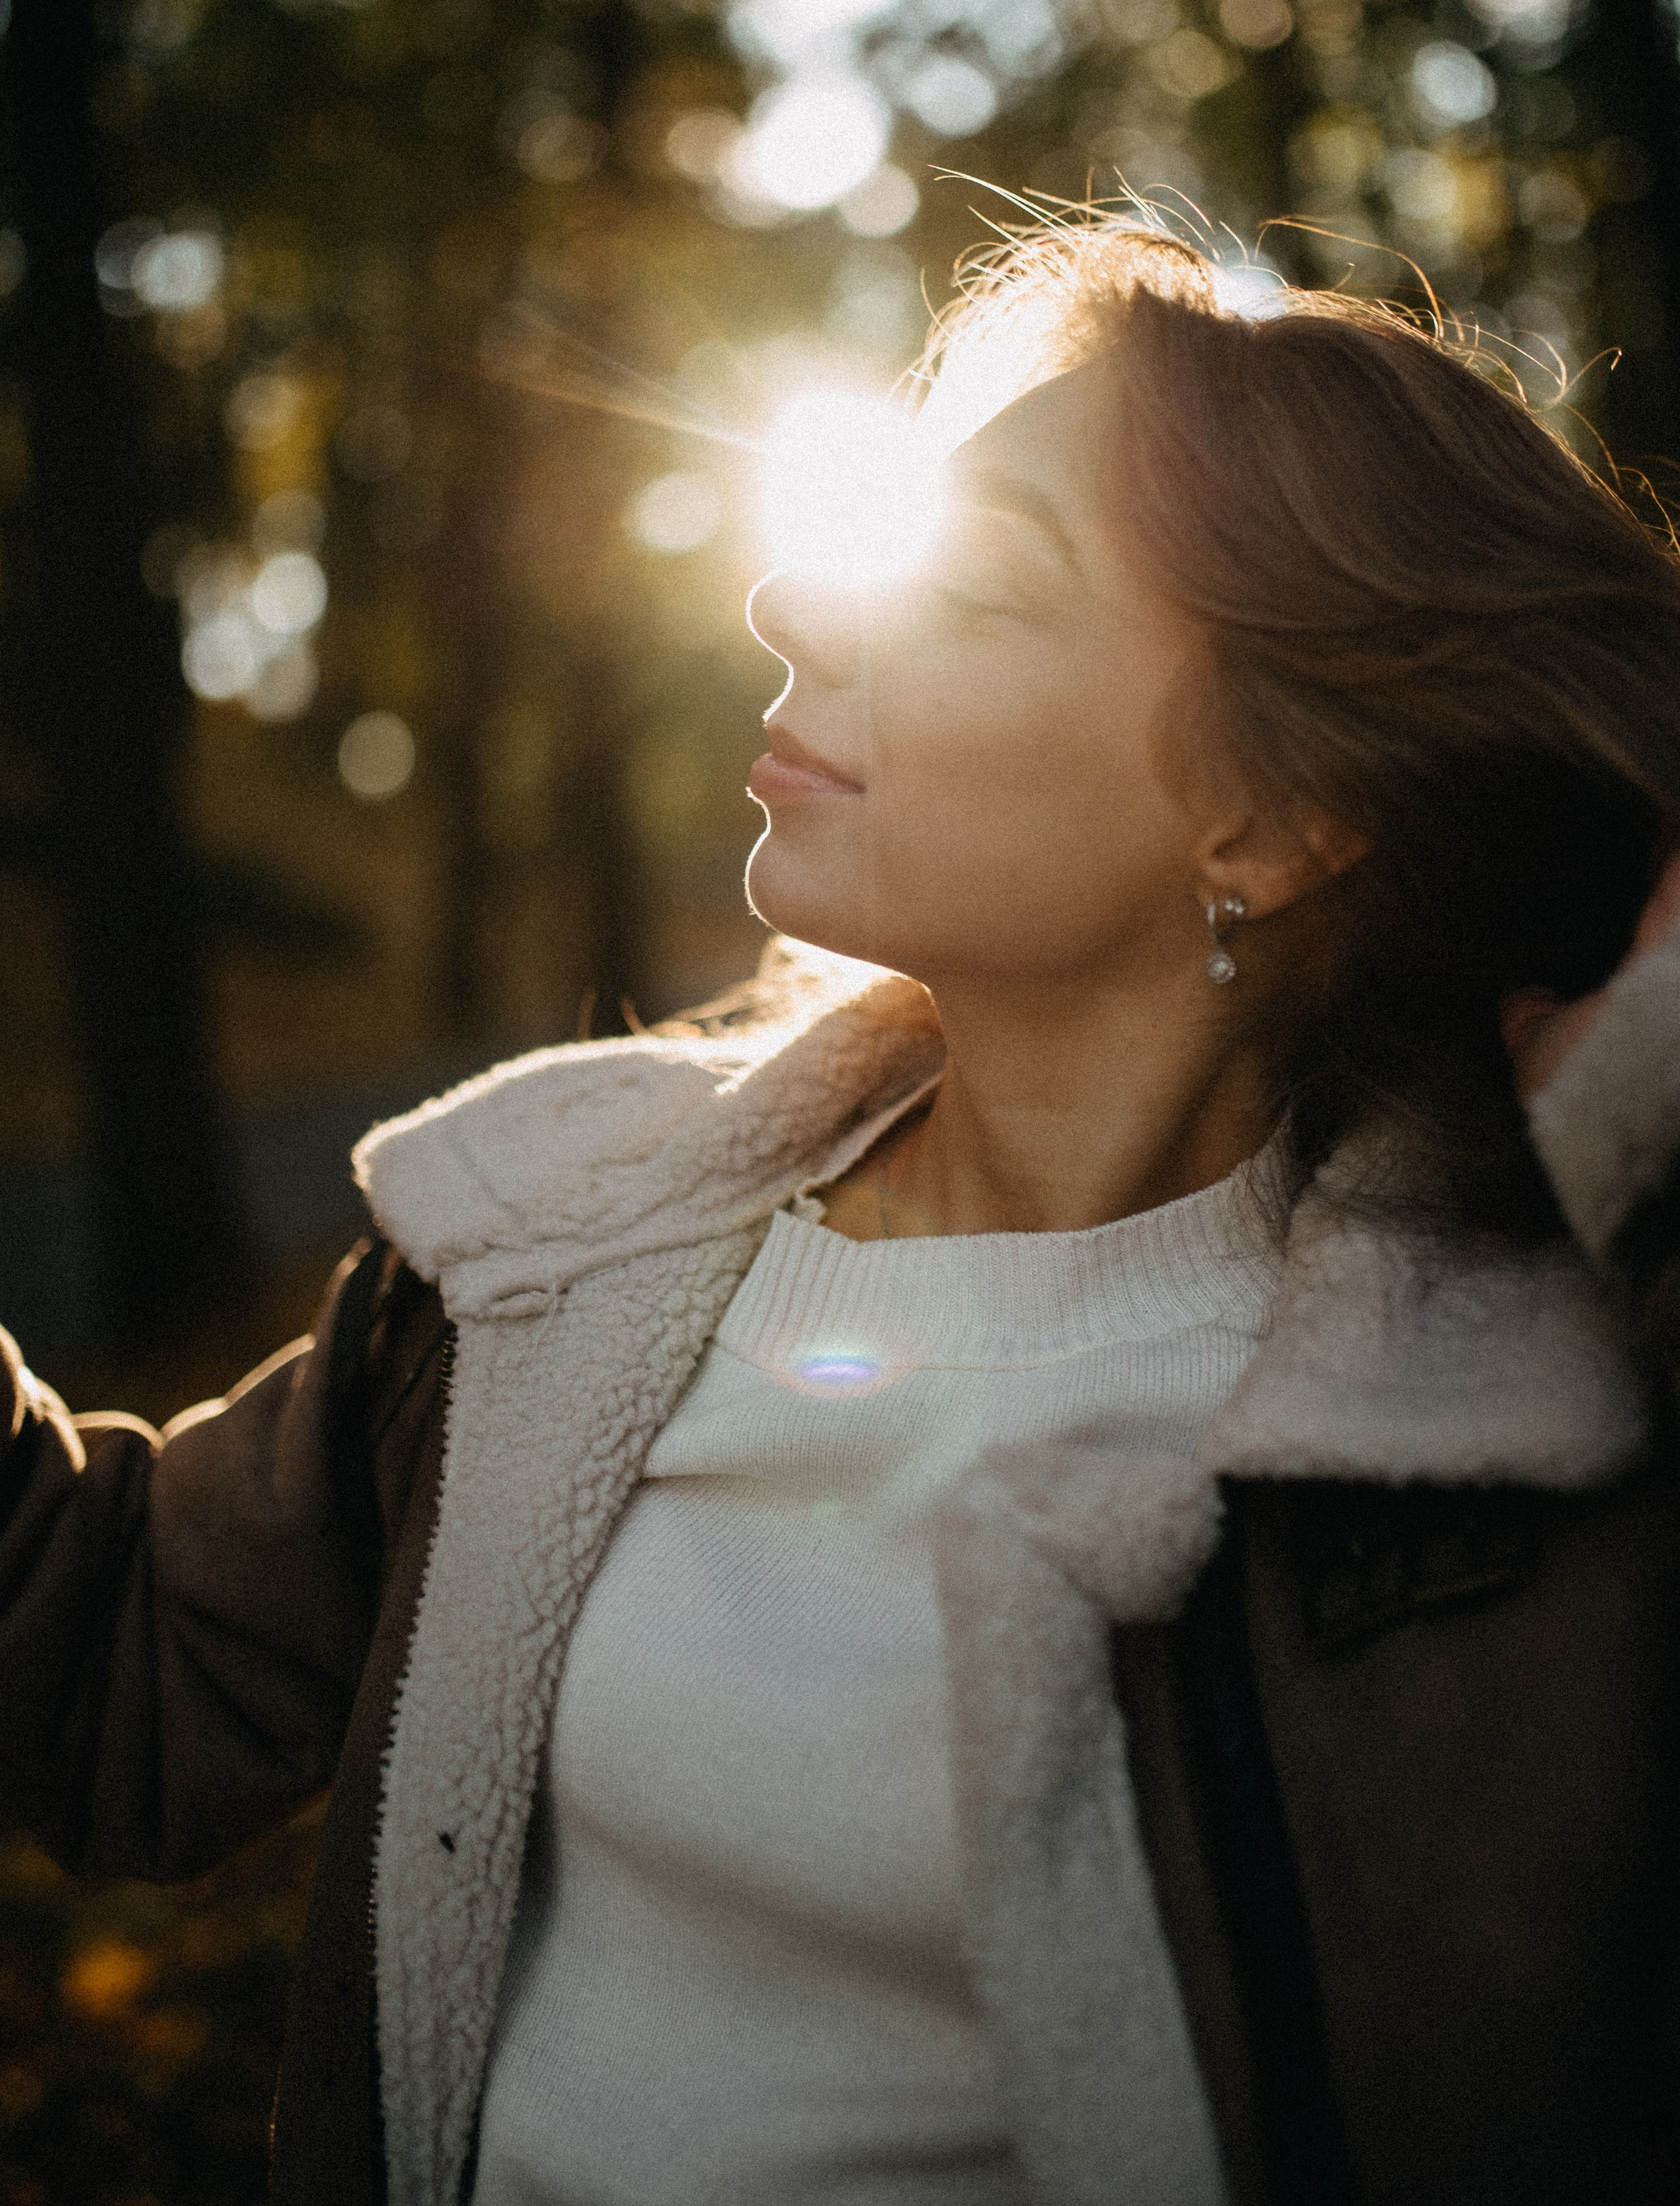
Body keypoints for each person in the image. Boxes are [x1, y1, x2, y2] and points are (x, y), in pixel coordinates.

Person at [5, 218, 1680, 2206]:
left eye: (970, 584)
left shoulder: (1519, 1435)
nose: (796, 595)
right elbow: (103, 1665)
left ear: (1284, 816)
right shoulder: (556, 1244)